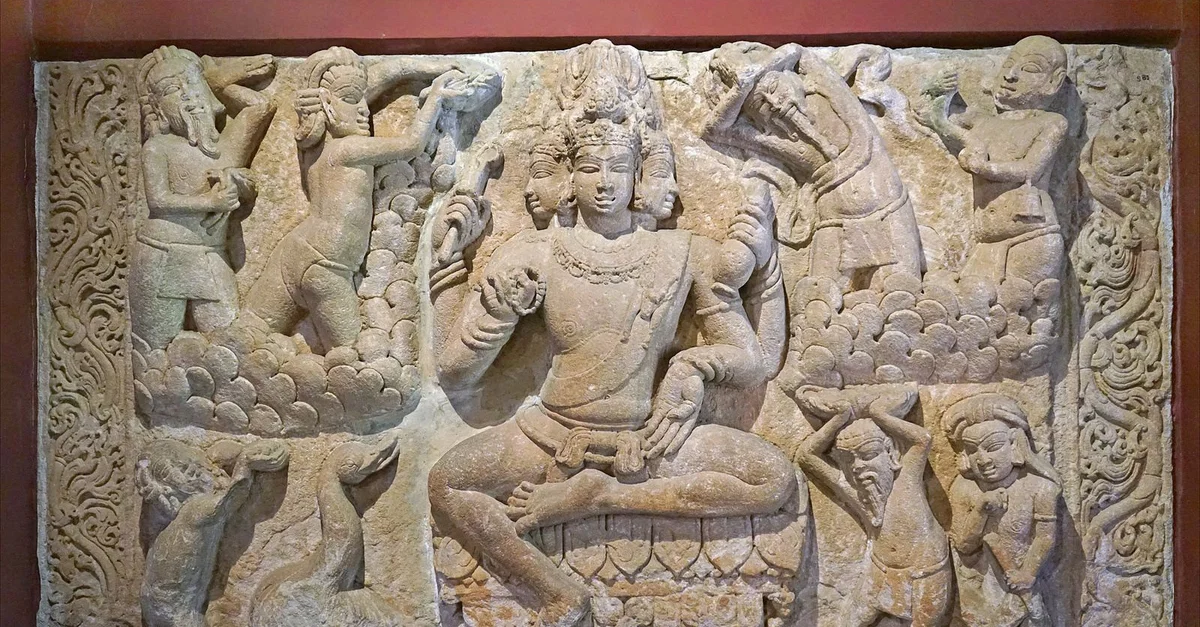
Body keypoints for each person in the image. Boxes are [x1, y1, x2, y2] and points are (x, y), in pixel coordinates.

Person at [427, 92, 796, 626]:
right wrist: (492, 311)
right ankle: (556, 593)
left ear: (641, 175)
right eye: (589, 168)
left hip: (650, 440)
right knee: (447, 482)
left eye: (619, 167)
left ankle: (601, 497)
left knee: (774, 478)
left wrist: (694, 366)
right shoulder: (534, 252)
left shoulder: (683, 253)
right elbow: (455, 373)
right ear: (567, 177)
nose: (604, 182)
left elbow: (752, 361)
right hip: (552, 433)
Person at [245, 47, 492, 350]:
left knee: (246, 340)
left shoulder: (314, 151)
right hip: (326, 268)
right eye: (353, 100)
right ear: (327, 106)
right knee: (356, 358)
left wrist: (427, 67)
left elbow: (375, 80)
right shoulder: (348, 149)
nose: (365, 109)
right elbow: (412, 144)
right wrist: (436, 97)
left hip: (293, 253)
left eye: (365, 99)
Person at [703, 42, 923, 291]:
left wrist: (756, 72)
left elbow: (795, 50)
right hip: (833, 224)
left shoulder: (824, 88)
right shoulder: (775, 139)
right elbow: (714, 130)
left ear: (787, 74)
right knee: (816, 303)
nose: (776, 104)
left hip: (888, 210)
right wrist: (741, 89)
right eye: (762, 105)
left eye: (773, 88)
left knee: (902, 294)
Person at [131, 46, 276, 349]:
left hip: (210, 255)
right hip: (162, 254)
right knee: (152, 352)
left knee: (230, 346)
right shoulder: (158, 148)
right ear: (158, 109)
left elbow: (260, 106)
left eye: (192, 83)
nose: (187, 94)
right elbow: (158, 200)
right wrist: (211, 202)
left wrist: (218, 82)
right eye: (172, 89)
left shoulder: (226, 148)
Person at [791, 386, 951, 627]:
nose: (858, 466)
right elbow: (807, 456)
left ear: (892, 454)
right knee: (849, 622)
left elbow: (922, 440)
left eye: (868, 455)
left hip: (926, 574)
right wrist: (839, 418)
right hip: (881, 571)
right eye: (849, 460)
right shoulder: (859, 492)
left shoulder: (905, 478)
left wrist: (880, 414)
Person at [918, 35, 1070, 288]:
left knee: (1024, 307)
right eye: (1009, 65)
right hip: (986, 244)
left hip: (1030, 239)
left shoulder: (1051, 123)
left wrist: (985, 168)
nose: (1011, 75)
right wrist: (935, 89)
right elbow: (930, 116)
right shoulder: (981, 121)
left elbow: (1030, 169)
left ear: (1054, 81)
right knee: (972, 305)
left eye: (1029, 69)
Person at [137, 439, 289, 627]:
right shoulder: (195, 510)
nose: (195, 471)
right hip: (174, 608)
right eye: (184, 469)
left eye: (193, 465)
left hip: (156, 598)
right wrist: (245, 464)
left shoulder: (168, 515)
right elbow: (230, 499)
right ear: (169, 485)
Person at [944, 394, 1060, 627]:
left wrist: (1028, 573)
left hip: (1020, 584)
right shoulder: (964, 488)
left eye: (993, 447)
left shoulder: (1039, 487)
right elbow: (964, 545)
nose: (983, 459)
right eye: (973, 450)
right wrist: (981, 510)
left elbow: (1045, 537)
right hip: (979, 587)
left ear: (1014, 443)